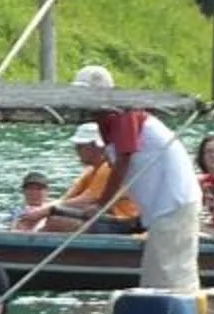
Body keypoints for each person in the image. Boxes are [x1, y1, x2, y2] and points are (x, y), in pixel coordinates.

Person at [74, 61, 202, 291]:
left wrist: (101, 205)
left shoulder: (125, 114)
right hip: (158, 210)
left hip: (173, 203)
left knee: (169, 278)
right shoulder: (107, 123)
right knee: (156, 276)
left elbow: (124, 161)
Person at [21, 122, 139, 234]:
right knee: (41, 218)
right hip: (102, 218)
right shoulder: (91, 171)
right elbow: (67, 198)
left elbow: (86, 200)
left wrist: (45, 211)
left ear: (94, 146)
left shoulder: (107, 168)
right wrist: (39, 211)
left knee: (56, 221)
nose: (76, 151)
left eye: (79, 147)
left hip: (122, 222)